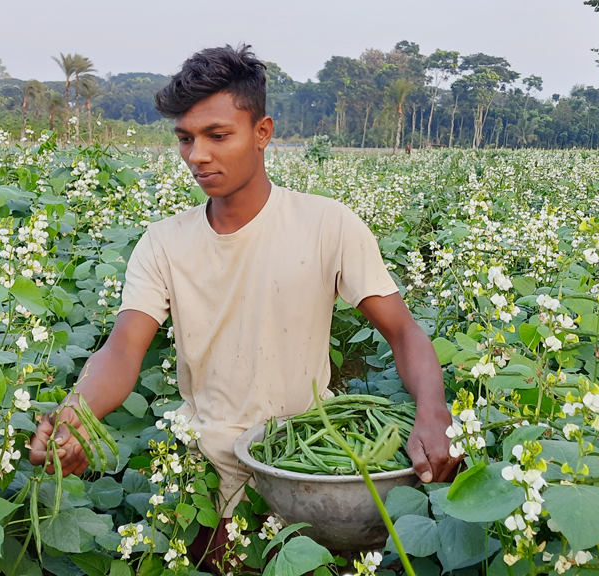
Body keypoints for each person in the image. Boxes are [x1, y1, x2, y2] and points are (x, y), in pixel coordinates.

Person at [28, 44, 459, 569]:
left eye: (217, 135)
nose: (196, 156)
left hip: (308, 475)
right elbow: (122, 350)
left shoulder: (327, 224)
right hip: (208, 478)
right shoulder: (163, 243)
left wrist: (433, 412)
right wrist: (78, 413)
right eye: (185, 138)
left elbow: (404, 332)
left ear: (262, 133)